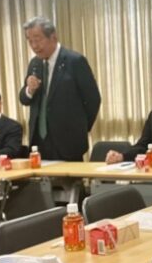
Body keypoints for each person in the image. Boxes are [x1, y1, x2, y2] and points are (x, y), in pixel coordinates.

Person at [19, 17, 101, 161]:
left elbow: (93, 99)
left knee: (68, 177)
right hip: (39, 142)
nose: (34, 46)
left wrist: (80, 128)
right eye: (30, 41)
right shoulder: (35, 63)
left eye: (37, 40)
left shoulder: (75, 61)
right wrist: (29, 90)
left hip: (68, 141)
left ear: (53, 37)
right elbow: (24, 99)